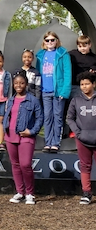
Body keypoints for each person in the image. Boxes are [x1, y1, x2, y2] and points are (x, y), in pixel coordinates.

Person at [3, 71, 43, 205]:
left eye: (21, 83)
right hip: (10, 136)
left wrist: (31, 131)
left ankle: (30, 193)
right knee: (15, 165)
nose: (18, 85)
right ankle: (20, 192)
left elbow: (40, 118)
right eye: (16, 83)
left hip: (27, 136)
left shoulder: (33, 100)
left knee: (25, 164)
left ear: (26, 84)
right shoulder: (11, 100)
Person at [36, 31, 71, 153]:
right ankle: (48, 142)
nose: (50, 42)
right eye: (47, 40)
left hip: (58, 91)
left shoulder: (62, 54)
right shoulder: (41, 55)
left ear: (57, 41)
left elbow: (67, 74)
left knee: (58, 117)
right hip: (45, 91)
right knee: (47, 117)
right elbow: (38, 75)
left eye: (52, 40)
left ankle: (56, 142)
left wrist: (64, 91)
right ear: (44, 42)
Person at [66, 71, 96, 204]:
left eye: (87, 84)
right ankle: (86, 193)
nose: (84, 86)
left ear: (93, 84)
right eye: (82, 84)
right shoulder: (76, 100)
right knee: (85, 166)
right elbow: (69, 118)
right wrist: (78, 133)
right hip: (83, 139)